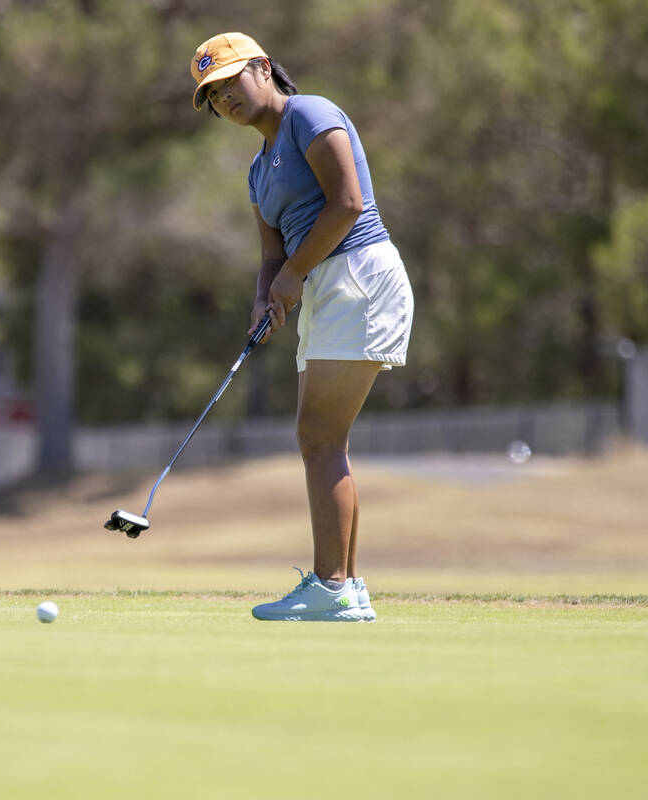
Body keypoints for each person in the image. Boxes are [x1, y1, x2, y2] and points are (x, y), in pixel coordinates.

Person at [190, 32, 414, 621]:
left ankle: (332, 586)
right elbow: (270, 255)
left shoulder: (309, 113)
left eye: (229, 83)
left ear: (263, 68)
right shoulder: (258, 170)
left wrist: (292, 275)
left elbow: (348, 202)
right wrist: (266, 295)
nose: (223, 100)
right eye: (211, 96)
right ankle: (347, 587)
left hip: (357, 275)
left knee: (317, 438)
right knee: (323, 440)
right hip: (322, 286)